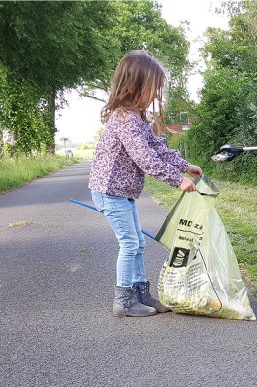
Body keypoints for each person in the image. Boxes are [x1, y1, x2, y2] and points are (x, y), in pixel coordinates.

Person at [89, 50, 203, 318]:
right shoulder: (124, 119)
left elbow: (158, 148)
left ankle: (141, 293)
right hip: (109, 192)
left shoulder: (138, 118)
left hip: (122, 193)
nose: (155, 96)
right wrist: (178, 180)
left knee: (137, 242)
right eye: (152, 89)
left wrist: (184, 165)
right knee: (130, 243)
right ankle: (124, 301)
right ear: (134, 86)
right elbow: (146, 159)